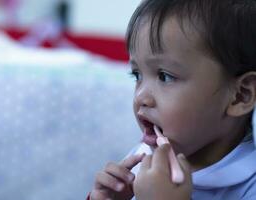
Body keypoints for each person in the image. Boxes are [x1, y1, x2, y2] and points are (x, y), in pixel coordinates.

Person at [88, 0, 256, 199]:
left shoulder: (248, 186)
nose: (141, 97)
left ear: (240, 96)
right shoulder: (144, 159)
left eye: (164, 76)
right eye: (137, 75)